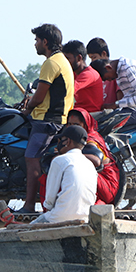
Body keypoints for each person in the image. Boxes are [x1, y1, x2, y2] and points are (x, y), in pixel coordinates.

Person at [20, 23, 74, 212]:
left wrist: (27, 108)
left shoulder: (51, 63)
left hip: (47, 120)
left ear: (45, 42)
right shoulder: (61, 60)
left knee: (31, 158)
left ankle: (29, 205)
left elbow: (39, 96)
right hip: (55, 118)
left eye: (36, 40)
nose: (35, 44)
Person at [30, 125, 97, 224]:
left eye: (61, 140)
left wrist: (49, 213)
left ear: (68, 141)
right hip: (85, 217)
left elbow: (50, 198)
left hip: (60, 216)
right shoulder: (90, 164)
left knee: (30, 227)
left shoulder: (59, 160)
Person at [89, 57, 136, 129]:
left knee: (104, 128)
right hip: (128, 110)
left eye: (106, 78)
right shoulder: (119, 71)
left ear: (108, 67)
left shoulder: (129, 68)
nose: (109, 81)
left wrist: (116, 104)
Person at [63, 40, 103, 113]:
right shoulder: (74, 73)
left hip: (90, 114)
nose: (65, 62)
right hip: (79, 112)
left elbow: (68, 89)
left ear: (79, 58)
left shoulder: (89, 74)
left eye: (68, 58)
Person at [86, 37, 119, 107]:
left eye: (94, 57)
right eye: (90, 58)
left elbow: (120, 100)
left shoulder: (114, 74)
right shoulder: (94, 76)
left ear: (104, 54)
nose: (92, 61)